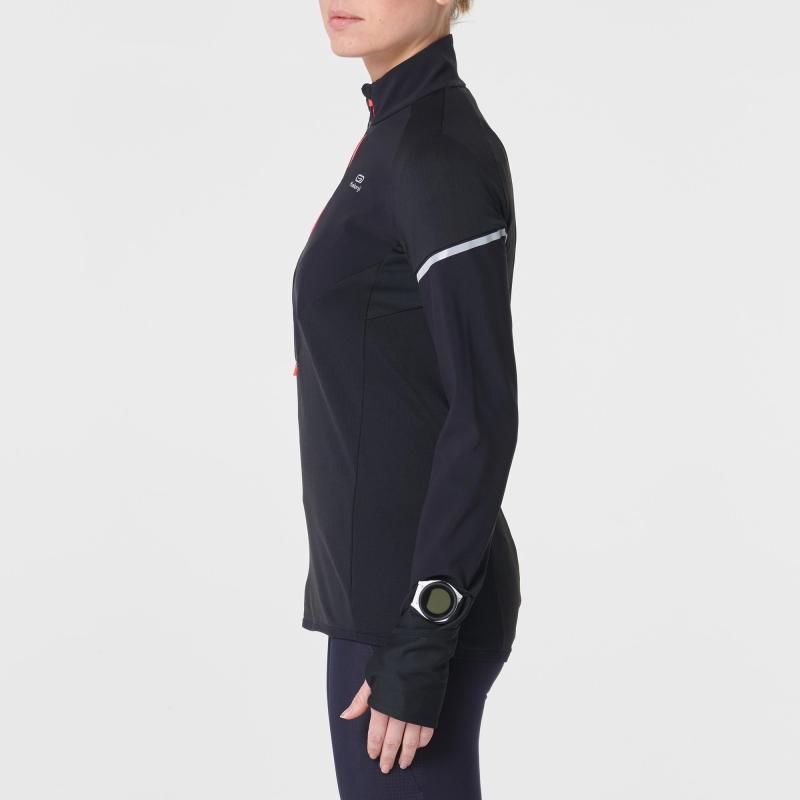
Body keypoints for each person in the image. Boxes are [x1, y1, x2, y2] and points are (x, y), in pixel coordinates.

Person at [291, 1, 521, 796]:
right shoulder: (397, 129)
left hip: (410, 614)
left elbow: (484, 409)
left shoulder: (436, 151)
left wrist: (423, 636)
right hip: (377, 603)